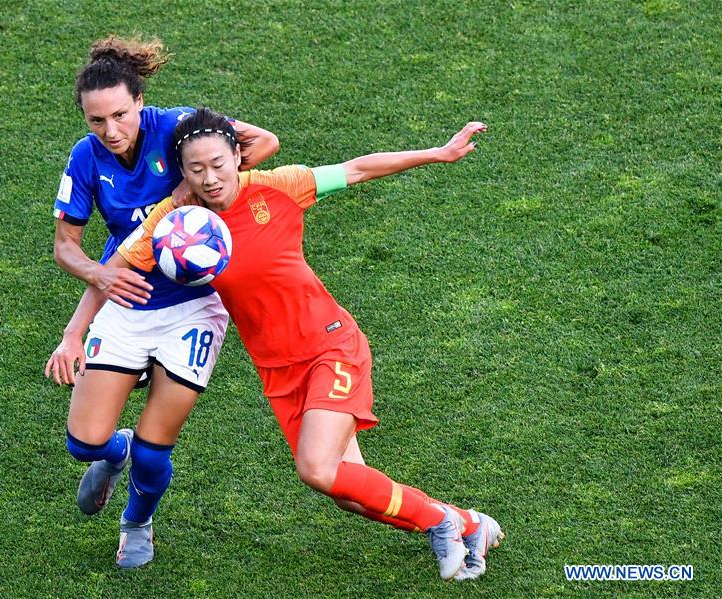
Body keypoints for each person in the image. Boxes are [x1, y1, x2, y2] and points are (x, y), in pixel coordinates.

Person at [48, 108, 501, 581]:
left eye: (220, 164)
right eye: (197, 169)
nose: (211, 178)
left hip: (330, 348)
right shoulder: (175, 222)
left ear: (237, 157)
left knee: (316, 469)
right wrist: (75, 330)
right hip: (279, 372)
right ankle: (470, 523)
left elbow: (357, 168)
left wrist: (438, 153)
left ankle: (441, 522)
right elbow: (114, 268)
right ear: (182, 173)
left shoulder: (279, 186)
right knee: (345, 491)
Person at [45, 39, 279, 570]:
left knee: (156, 449)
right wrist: (98, 276)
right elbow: (65, 245)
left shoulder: (177, 128)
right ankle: (114, 453)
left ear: (141, 102)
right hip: (126, 296)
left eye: (121, 115)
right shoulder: (86, 159)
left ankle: (136, 522)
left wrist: (195, 184)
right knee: (85, 443)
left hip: (195, 307)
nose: (111, 130)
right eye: (96, 120)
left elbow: (263, 142)